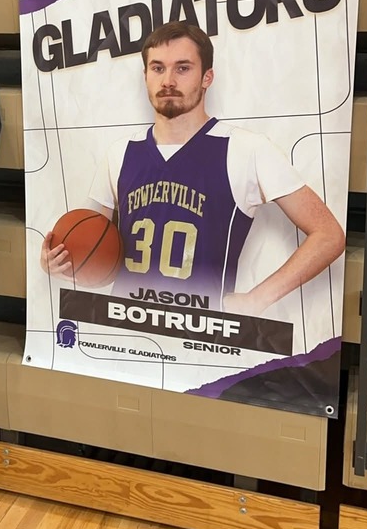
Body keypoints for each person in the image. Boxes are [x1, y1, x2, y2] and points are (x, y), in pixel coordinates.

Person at [41, 21, 345, 314]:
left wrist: (257, 299)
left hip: (204, 342)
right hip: (128, 330)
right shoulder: (120, 152)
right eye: (157, 68)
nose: (168, 80)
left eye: (182, 68)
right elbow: (86, 238)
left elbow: (328, 235)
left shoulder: (247, 149)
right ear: (145, 75)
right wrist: (55, 260)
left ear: (207, 77)